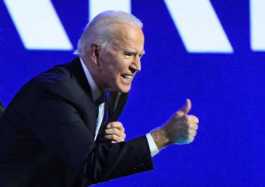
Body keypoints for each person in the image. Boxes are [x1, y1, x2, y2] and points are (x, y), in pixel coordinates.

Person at [0, 10, 199, 187]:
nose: (137, 66)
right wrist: (164, 136)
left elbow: (78, 158)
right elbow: (87, 166)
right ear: (96, 53)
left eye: (140, 56)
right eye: (128, 54)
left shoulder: (114, 91)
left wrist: (105, 144)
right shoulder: (56, 92)